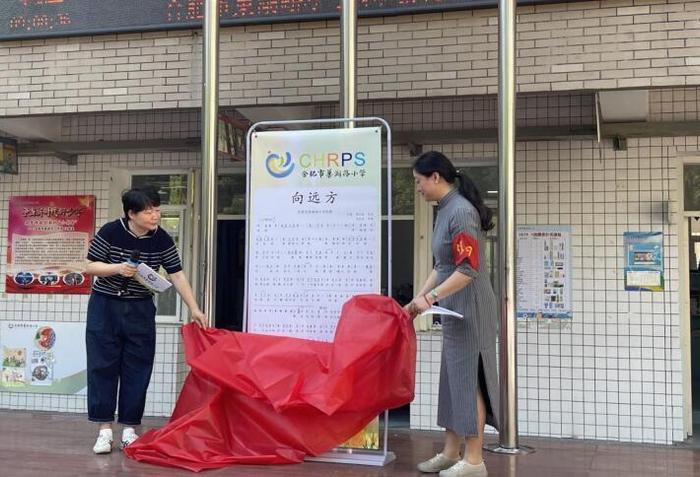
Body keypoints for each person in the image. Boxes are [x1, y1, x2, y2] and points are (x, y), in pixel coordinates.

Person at [85, 186, 206, 454]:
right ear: (132, 213)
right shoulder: (111, 231)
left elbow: (177, 275)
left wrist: (194, 309)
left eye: (157, 209)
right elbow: (90, 265)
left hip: (140, 308)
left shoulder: (162, 238)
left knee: (138, 367)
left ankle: (129, 429)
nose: (155, 215)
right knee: (101, 366)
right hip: (104, 306)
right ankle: (104, 430)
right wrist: (117, 268)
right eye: (149, 210)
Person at [405, 151, 499, 477]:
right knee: (452, 381)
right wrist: (418, 300)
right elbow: (442, 266)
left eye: (418, 181)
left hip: (470, 308)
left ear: (435, 177)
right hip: (455, 308)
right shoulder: (445, 211)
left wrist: (428, 298)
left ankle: (474, 460)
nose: (417, 188)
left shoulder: (460, 212)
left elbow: (468, 269)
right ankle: (450, 451)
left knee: (468, 381)